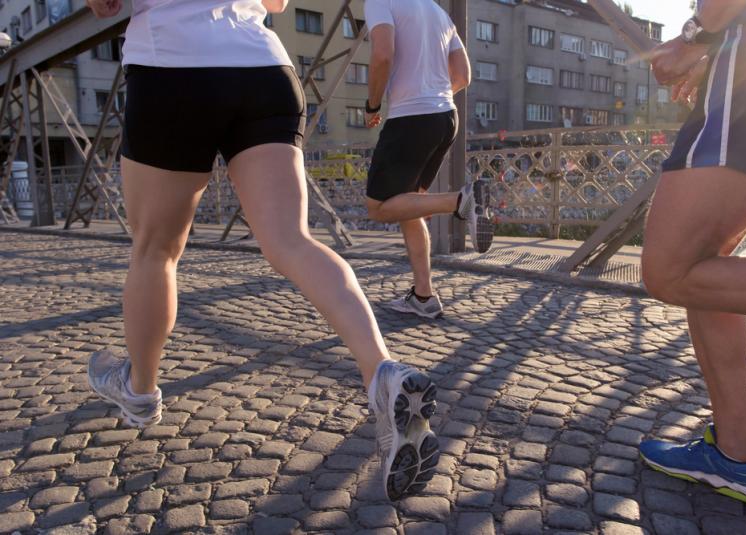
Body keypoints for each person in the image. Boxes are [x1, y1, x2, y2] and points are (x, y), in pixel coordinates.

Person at [84, 0, 439, 501]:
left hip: (172, 66)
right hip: (263, 70)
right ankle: (382, 373)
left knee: (155, 250)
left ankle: (138, 391)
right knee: (291, 240)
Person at [639, 0, 746, 505]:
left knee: (670, 271)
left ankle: (737, 452)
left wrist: (697, 36)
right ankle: (737, 454)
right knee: (707, 270)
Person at [363, 0, 492, 320]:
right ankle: (424, 297)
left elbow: (382, 55)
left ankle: (461, 200)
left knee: (378, 207)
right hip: (445, 116)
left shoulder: (380, 1)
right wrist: (432, 95)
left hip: (411, 118)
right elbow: (463, 75)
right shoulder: (438, 12)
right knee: (409, 206)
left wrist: (372, 106)